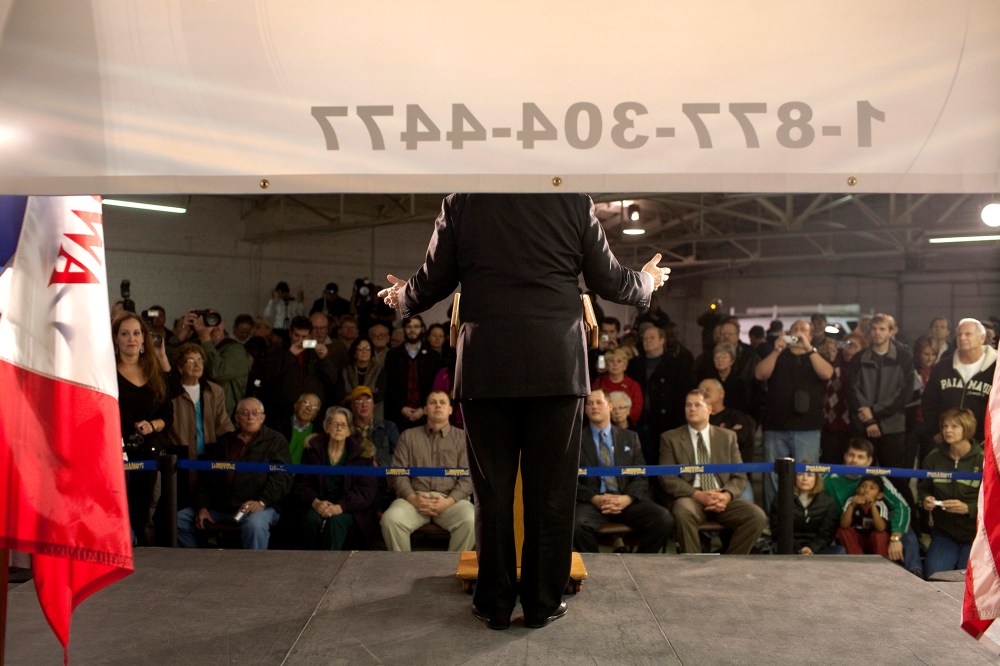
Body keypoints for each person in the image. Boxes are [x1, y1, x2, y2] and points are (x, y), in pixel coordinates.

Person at [379, 193, 668, 630]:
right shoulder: (572, 202)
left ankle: (494, 603)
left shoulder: (463, 203)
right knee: (550, 494)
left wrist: (402, 298)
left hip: (486, 368)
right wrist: (645, 282)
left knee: (491, 494)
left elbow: (433, 280)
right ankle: (541, 603)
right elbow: (609, 280)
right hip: (556, 366)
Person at [658, 389, 767, 555]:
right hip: (692, 498)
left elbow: (739, 476)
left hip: (722, 497)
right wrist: (698, 495)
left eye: (697, 405)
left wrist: (726, 495)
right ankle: (693, 565)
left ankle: (731, 564)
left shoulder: (727, 437)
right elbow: (667, 478)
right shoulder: (670, 438)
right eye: (688, 405)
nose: (692, 409)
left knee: (757, 516)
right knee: (682, 511)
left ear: (709, 409)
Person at [176, 397, 292, 550]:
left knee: (255, 526)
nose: (250, 417)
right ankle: (200, 562)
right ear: (236, 418)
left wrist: (262, 501)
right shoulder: (225, 441)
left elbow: (282, 478)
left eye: (255, 413)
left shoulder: (276, 440)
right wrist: (202, 506)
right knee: (179, 520)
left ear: (263, 417)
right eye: (245, 413)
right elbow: (206, 477)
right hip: (222, 507)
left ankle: (253, 571)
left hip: (260, 507)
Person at [573, 390, 673, 554]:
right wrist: (594, 498)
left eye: (599, 402)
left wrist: (627, 498)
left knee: (663, 519)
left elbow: (641, 475)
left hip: (626, 500)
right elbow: (571, 480)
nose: (594, 406)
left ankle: (639, 564)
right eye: (589, 403)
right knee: (576, 526)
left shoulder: (630, 437)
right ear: (585, 409)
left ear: (610, 406)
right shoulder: (577, 439)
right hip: (593, 502)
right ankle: (598, 568)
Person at [380, 391, 475, 553]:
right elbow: (398, 472)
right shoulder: (408, 436)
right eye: (433, 402)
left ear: (451, 410)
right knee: (391, 519)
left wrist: (449, 501)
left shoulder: (462, 438)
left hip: (451, 501)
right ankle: (401, 570)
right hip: (414, 499)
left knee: (472, 520)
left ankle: (452, 569)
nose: (438, 405)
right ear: (425, 409)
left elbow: (469, 477)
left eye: (443, 402)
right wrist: (412, 498)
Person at [755, 319, 834, 513]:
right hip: (776, 426)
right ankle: (774, 520)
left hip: (808, 428)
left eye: (803, 330)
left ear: (811, 335)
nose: (798, 333)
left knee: (807, 476)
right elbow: (760, 374)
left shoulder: (816, 355)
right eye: (794, 330)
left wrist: (810, 350)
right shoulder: (778, 354)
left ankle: (805, 518)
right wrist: (776, 350)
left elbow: (827, 374)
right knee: (774, 475)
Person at [113, 311, 173, 546]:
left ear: (143, 339)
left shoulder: (154, 371)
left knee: (144, 511)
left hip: (149, 451)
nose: (131, 338)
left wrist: (152, 425)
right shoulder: (106, 371)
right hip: (116, 452)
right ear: (115, 338)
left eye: (136, 333)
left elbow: (168, 414)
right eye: (125, 333)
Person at [847, 313, 914, 504]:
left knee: (895, 480)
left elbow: (904, 394)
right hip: (863, 426)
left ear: (891, 332)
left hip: (892, 427)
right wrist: (869, 420)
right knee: (858, 479)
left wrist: (874, 413)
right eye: (874, 329)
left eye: (882, 328)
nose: (877, 333)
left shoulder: (904, 358)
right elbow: (852, 391)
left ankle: (910, 528)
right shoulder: (858, 358)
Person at [293, 407, 378, 550]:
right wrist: (315, 502)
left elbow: (366, 490)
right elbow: (301, 483)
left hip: (349, 508)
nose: (339, 428)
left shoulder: (362, 454)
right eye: (334, 424)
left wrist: (340, 507)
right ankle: (306, 564)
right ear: (327, 427)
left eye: (343, 425)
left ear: (349, 431)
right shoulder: (313, 450)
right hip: (318, 504)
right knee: (310, 520)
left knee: (336, 523)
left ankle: (329, 567)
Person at [167, 343, 234, 505]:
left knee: (205, 500)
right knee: (179, 501)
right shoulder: (171, 391)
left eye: (200, 360)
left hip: (209, 451)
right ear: (180, 367)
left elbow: (222, 422)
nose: (197, 365)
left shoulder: (214, 390)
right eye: (191, 360)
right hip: (179, 452)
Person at [919, 409, 982, 578]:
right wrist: (926, 500)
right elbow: (923, 488)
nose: (948, 430)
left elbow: (995, 500)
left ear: (967, 428)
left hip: (976, 536)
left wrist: (969, 509)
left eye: (955, 426)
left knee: (966, 580)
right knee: (935, 575)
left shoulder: (983, 460)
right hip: (943, 534)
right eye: (945, 426)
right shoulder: (933, 458)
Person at [921, 318, 996, 444]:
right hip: (946, 441)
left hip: (985, 443)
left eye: (968, 334)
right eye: (959, 334)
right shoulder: (942, 366)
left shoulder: (997, 368)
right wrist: (935, 431)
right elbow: (929, 402)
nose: (962, 338)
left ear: (982, 338)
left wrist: (992, 438)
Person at [769, 470, 838, 555]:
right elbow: (778, 530)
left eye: (809, 475)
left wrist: (811, 548)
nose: (804, 478)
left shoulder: (828, 501)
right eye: (800, 474)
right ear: (794, 477)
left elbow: (827, 533)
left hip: (817, 548)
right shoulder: (781, 498)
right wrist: (798, 549)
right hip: (788, 547)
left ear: (816, 479)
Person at [837, 476, 890, 557]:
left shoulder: (880, 505)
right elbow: (844, 524)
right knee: (843, 531)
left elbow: (881, 528)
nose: (866, 490)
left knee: (881, 535)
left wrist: (872, 506)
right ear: (857, 490)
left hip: (872, 541)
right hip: (857, 540)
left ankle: (880, 563)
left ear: (879, 495)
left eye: (872, 488)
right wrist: (852, 505)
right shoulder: (851, 501)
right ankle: (858, 560)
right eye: (863, 486)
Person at [591, 347, 642, 424]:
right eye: (611, 361)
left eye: (619, 361)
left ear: (625, 366)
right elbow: (592, 404)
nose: (615, 364)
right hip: (601, 424)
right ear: (607, 365)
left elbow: (637, 409)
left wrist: (621, 420)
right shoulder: (598, 383)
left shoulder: (633, 385)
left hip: (626, 426)